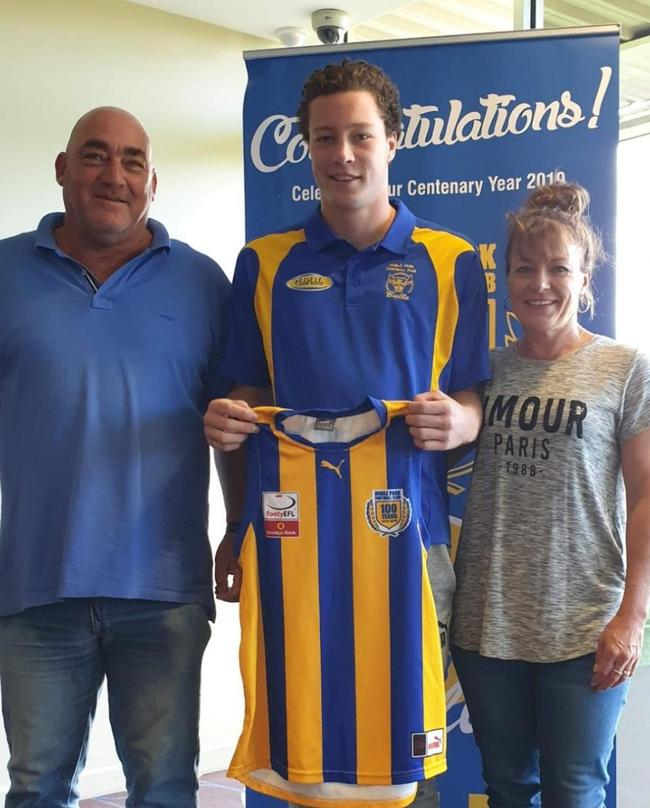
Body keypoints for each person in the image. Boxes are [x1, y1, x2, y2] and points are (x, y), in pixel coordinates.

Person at [204, 60, 490, 807]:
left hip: (407, 538)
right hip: (290, 540)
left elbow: (474, 396)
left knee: (405, 753)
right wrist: (231, 445)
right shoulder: (263, 264)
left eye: (361, 135)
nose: (343, 155)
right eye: (325, 138)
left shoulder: (451, 260)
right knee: (302, 744)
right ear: (307, 148)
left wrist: (462, 418)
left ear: (393, 140)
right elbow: (247, 394)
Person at [0, 107, 234, 808]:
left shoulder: (202, 283)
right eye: (95, 156)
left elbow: (234, 418)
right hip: (35, 587)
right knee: (38, 788)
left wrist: (241, 528)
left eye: (132, 161)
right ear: (62, 169)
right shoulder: (4, 271)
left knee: (162, 788)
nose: (114, 175)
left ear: (152, 183)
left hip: (162, 590)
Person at [451, 182, 650, 808]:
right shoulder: (483, 371)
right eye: (523, 268)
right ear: (505, 278)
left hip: (585, 623)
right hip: (488, 622)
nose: (540, 283)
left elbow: (646, 494)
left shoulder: (624, 368)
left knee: (575, 790)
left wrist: (633, 616)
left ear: (584, 275)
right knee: (507, 789)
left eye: (558, 268)